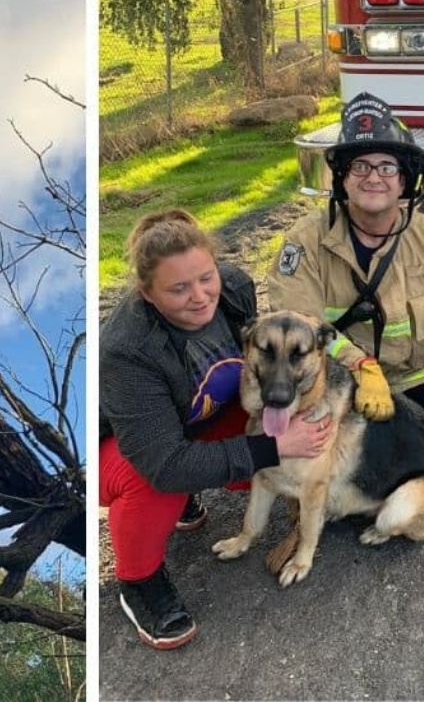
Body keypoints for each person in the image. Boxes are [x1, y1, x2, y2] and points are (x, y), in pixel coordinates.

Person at [100, 208, 332, 650]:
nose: (201, 296)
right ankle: (138, 583)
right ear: (148, 294)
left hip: (194, 417)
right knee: (154, 481)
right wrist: (271, 447)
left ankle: (192, 496)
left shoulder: (235, 289)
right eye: (178, 288)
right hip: (120, 449)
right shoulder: (126, 351)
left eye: (206, 277)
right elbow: (163, 464)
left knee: (286, 436)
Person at [268, 92, 424, 441]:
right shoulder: (305, 241)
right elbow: (294, 325)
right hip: (346, 374)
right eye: (360, 166)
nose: (373, 177)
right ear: (342, 178)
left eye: (387, 167)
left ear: (404, 181)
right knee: (339, 448)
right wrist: (360, 365)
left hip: (423, 367)